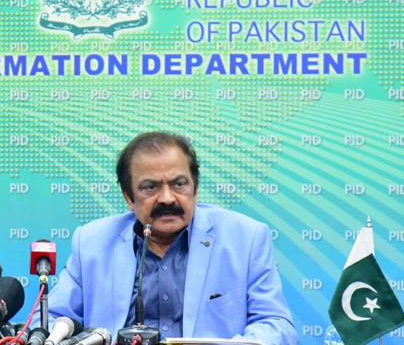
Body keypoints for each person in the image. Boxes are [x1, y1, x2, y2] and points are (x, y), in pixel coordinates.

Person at [42, 132, 298, 345]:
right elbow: (48, 321)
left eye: (179, 184)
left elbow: (276, 326)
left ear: (195, 189)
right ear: (128, 197)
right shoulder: (91, 242)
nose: (166, 198)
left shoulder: (246, 238)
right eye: (150, 187)